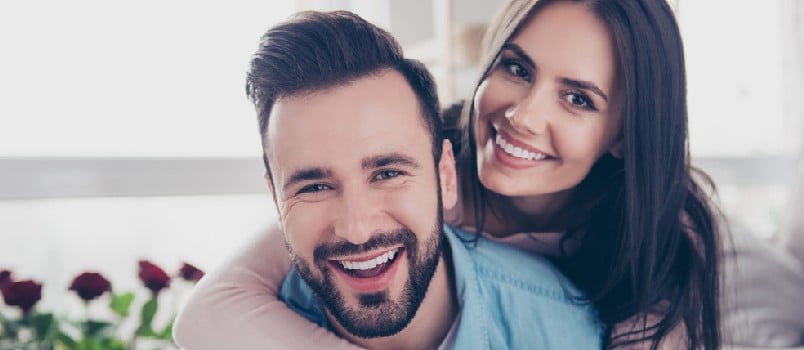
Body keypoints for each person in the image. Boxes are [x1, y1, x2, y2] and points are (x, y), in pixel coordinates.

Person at [174, 1, 723, 349]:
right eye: (516, 68)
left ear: (626, 133)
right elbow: (210, 310)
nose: (523, 116)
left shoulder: (657, 234)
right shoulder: (405, 164)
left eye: (578, 98)